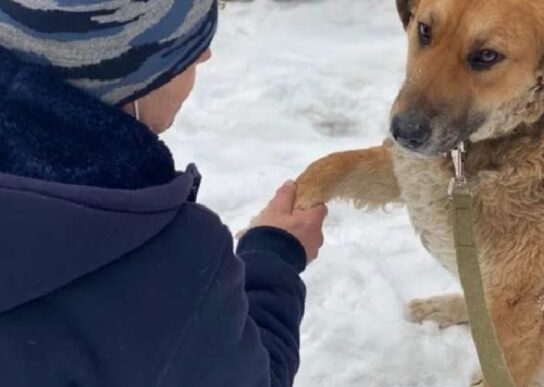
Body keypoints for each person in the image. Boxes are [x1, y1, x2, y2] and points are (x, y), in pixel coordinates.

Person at [0, 1, 327, 386]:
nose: (205, 55)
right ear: (126, 74)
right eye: (184, 51)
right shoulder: (170, 261)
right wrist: (275, 256)